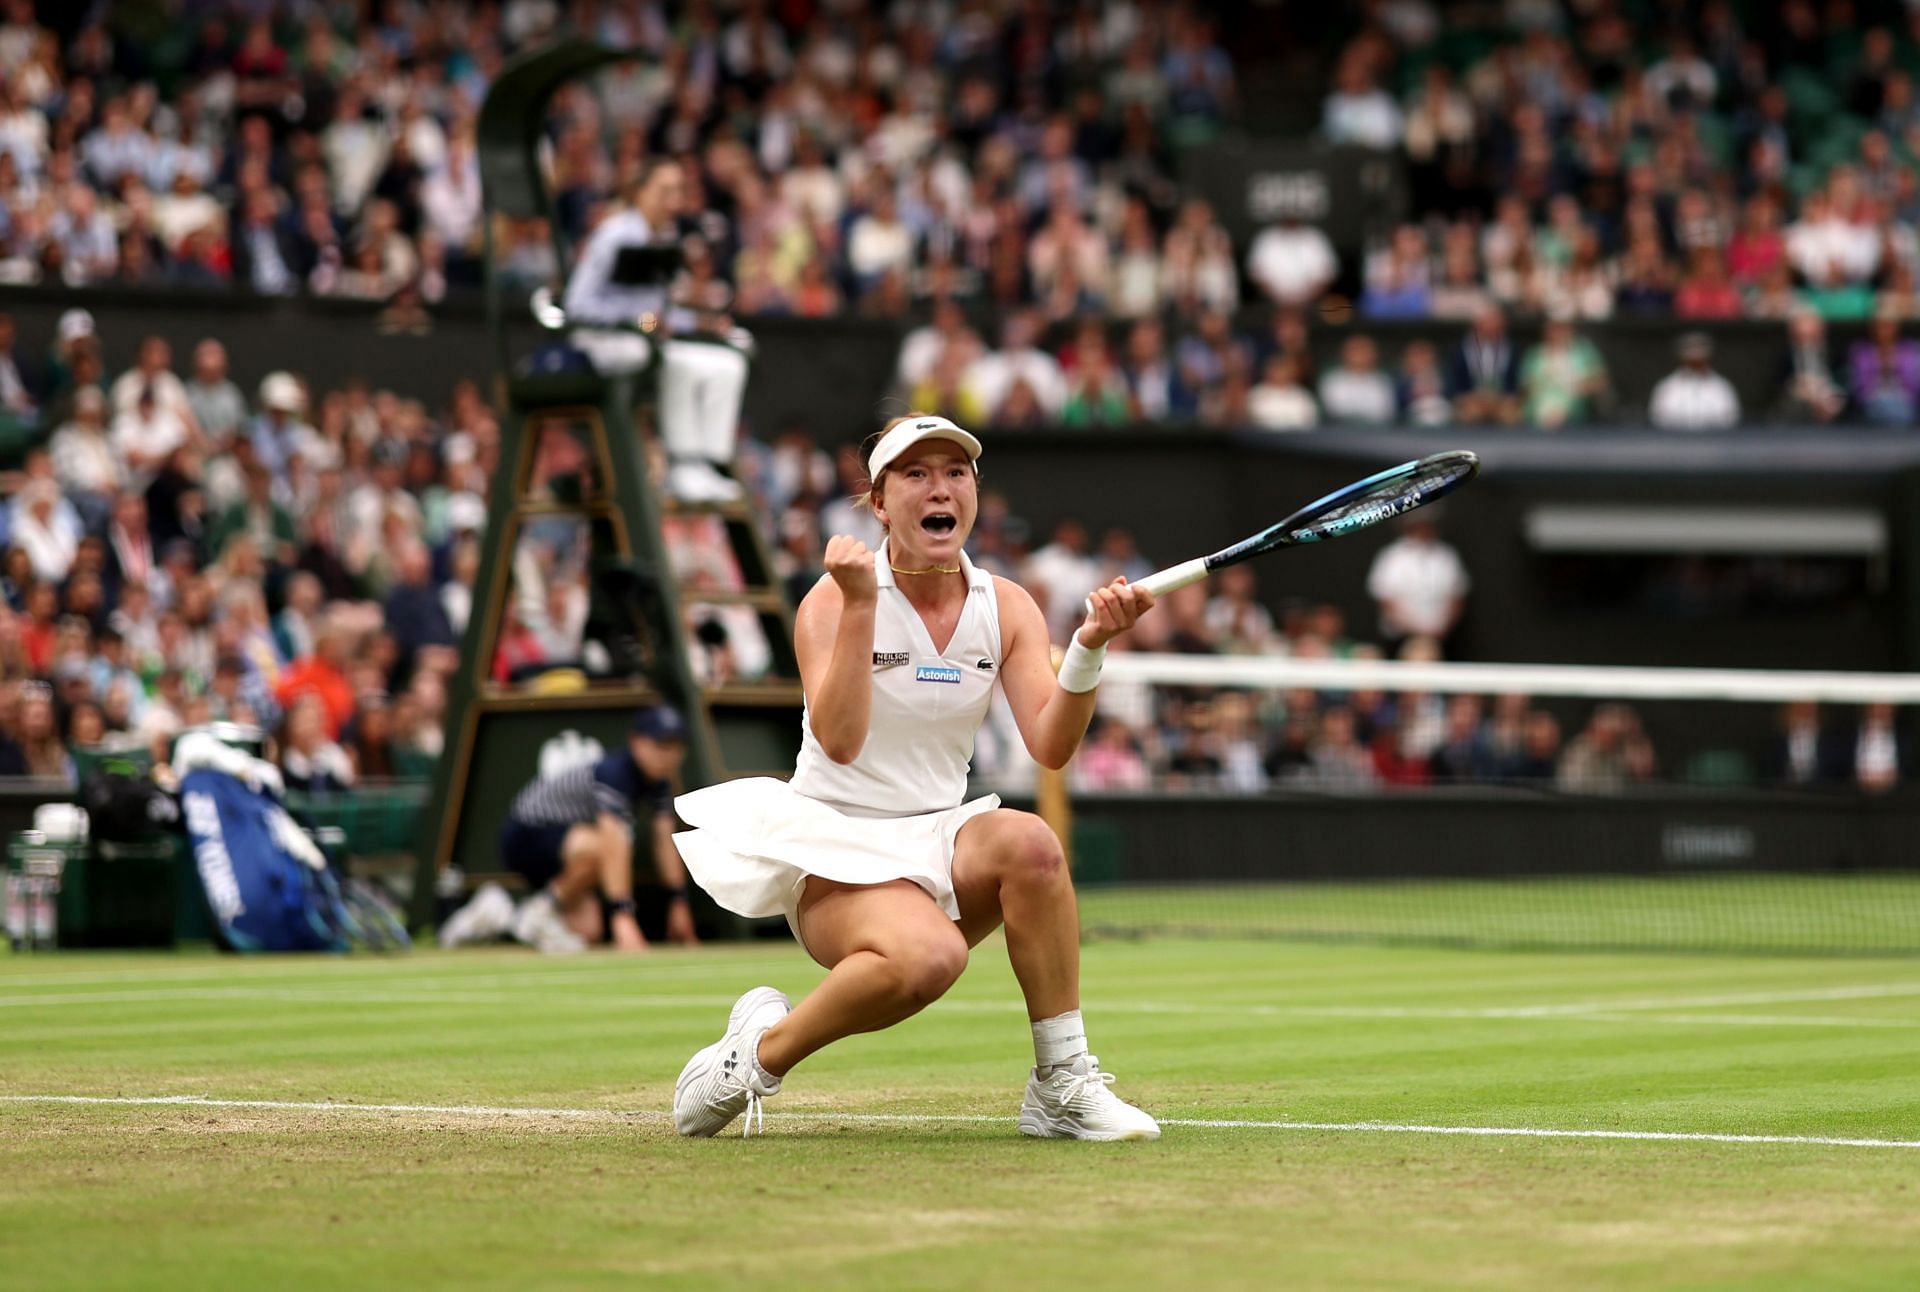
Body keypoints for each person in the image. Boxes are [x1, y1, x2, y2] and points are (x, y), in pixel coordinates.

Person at [670, 413, 1161, 1141]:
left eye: (955, 473)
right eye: (917, 474)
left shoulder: (1009, 606)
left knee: (1032, 845)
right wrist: (865, 603)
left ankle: (1061, 1086)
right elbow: (838, 742)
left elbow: (1051, 747)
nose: (941, 489)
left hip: (940, 837)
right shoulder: (833, 600)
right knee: (933, 958)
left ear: (974, 493)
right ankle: (757, 1057)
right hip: (835, 847)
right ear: (880, 502)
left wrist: (1089, 646)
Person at [563, 157, 750, 504]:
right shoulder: (614, 235)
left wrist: (699, 322)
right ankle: (681, 465)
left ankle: (706, 465)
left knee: (728, 365)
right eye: (663, 190)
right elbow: (577, 306)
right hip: (602, 341)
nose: (672, 200)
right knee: (664, 359)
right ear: (640, 193)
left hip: (642, 339)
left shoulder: (665, 238)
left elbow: (658, 315)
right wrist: (640, 321)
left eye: (677, 191)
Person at [446, 704, 700, 955]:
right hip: (526, 834)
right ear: (636, 742)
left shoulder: (660, 784)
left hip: (567, 846)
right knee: (610, 845)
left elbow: (663, 842)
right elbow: (612, 841)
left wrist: (679, 901)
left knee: (588, 931)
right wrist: (623, 916)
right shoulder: (614, 773)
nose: (669, 755)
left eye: (676, 747)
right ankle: (540, 911)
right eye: (660, 745)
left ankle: (501, 915)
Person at [1648, 332, 1741, 431]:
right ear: (1681, 355)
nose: (1695, 355)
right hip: (1674, 441)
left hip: (1713, 442)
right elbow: (1658, 417)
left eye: (1700, 350)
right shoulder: (1666, 386)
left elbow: (1731, 418)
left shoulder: (1722, 386)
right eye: (1690, 350)